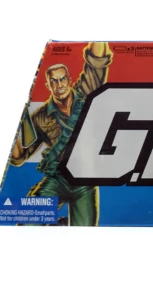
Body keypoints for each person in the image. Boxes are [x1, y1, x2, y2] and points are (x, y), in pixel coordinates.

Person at [11, 42, 113, 226]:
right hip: (56, 180)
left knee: (85, 232)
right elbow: (17, 158)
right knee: (27, 223)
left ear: (69, 79)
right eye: (54, 81)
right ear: (48, 85)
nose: (59, 85)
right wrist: (19, 123)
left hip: (84, 181)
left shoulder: (86, 92)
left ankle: (62, 227)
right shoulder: (39, 117)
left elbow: (97, 59)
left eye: (62, 79)